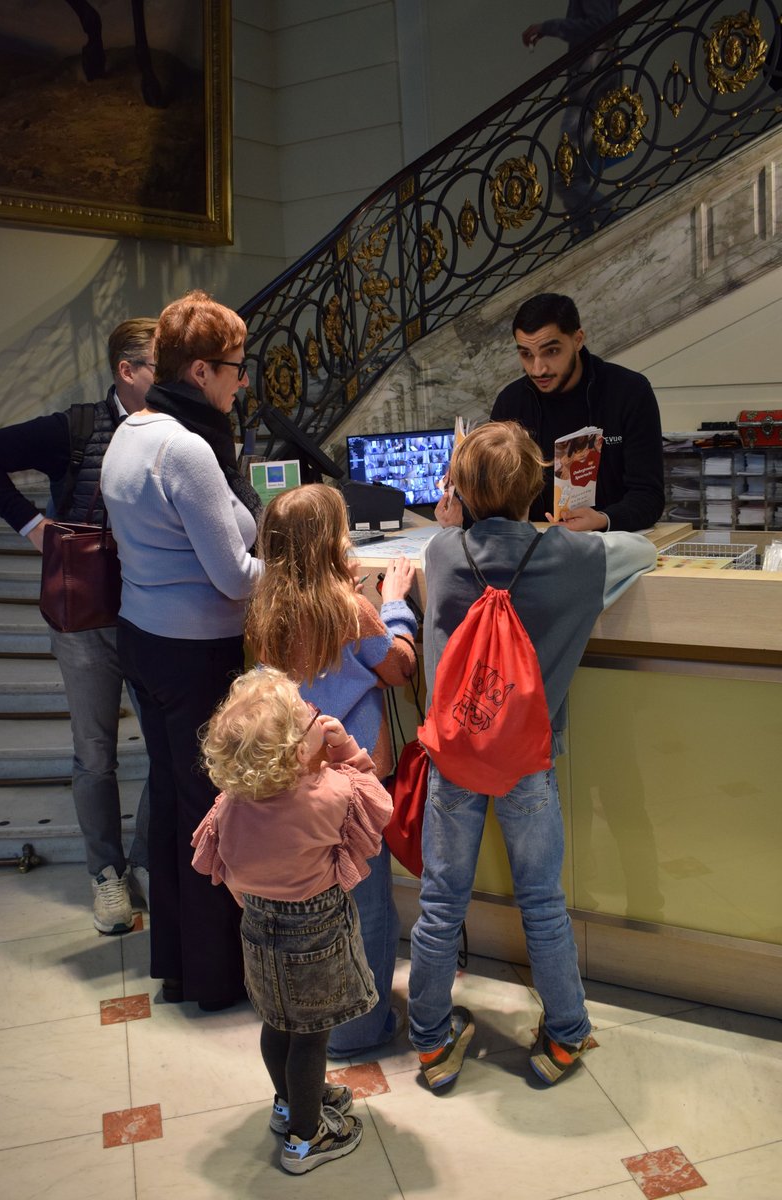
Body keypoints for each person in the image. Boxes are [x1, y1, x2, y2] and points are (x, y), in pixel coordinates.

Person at [409, 420, 656, 1090]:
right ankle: (566, 1035)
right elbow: (642, 548)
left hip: (454, 755)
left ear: (460, 490)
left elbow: (448, 547)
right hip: (526, 760)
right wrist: (573, 526)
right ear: (537, 486)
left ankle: (431, 1043)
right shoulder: (571, 559)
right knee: (543, 900)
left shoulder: (442, 551)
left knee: (440, 902)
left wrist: (452, 519)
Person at [101, 289, 264, 1010]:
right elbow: (234, 576)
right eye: (235, 367)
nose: (242, 382)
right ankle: (214, 978)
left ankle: (177, 964)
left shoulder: (131, 431)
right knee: (210, 810)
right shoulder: (188, 449)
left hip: (144, 638)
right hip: (195, 648)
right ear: (200, 371)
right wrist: (296, 570)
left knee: (173, 802)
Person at [0, 318, 157, 934]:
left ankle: (145, 861)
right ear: (126, 371)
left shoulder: (177, 428)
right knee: (95, 754)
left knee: (171, 746)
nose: (170, 377)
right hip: (85, 614)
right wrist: (34, 527)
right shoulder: (76, 428)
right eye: (158, 365)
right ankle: (106, 875)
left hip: (154, 610)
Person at [192, 667, 393, 1174]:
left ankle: (288, 1103)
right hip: (316, 933)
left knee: (277, 1023)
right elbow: (378, 801)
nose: (318, 717)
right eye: (309, 719)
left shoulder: (230, 807)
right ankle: (306, 1138)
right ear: (298, 753)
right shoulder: (328, 795)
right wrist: (344, 747)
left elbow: (225, 869)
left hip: (258, 930)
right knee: (310, 1036)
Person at [246, 483, 417, 1057]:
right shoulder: (352, 610)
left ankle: (321, 1018)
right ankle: (362, 1028)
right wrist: (394, 605)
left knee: (321, 903)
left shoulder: (266, 612)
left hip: (296, 781)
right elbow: (399, 667)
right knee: (368, 905)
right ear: (330, 546)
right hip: (355, 780)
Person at [490, 293, 665, 531]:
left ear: (578, 339)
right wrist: (461, 510)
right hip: (532, 542)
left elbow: (648, 496)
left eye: (551, 351)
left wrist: (603, 519)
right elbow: (494, 495)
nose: (538, 369)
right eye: (526, 354)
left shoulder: (629, 391)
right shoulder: (511, 402)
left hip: (613, 541)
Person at [522, 3, 621, 235]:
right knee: (575, 179)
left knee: (566, 181)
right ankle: (583, 240)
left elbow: (598, 26)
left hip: (590, 90)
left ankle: (620, 222)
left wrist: (546, 27)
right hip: (595, 87)